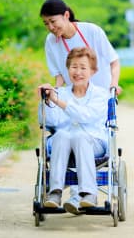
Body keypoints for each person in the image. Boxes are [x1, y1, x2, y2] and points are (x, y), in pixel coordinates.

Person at [40, 0, 121, 214]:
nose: (50, 28)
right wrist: (50, 99)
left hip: (94, 113)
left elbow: (113, 60)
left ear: (66, 15)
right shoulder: (51, 42)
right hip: (70, 107)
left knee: (79, 134)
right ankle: (56, 192)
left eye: (53, 22)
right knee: (65, 135)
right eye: (46, 23)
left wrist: (112, 87)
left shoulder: (92, 31)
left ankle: (85, 194)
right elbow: (59, 77)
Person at [38, 47, 108, 209]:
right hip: (62, 145)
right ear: (68, 69)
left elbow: (85, 116)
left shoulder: (100, 95)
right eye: (74, 67)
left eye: (83, 68)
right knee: (61, 133)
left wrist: (58, 101)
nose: (78, 72)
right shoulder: (60, 93)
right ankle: (55, 192)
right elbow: (48, 122)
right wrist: (47, 101)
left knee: (79, 136)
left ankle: (89, 193)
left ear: (92, 71)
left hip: (94, 143)